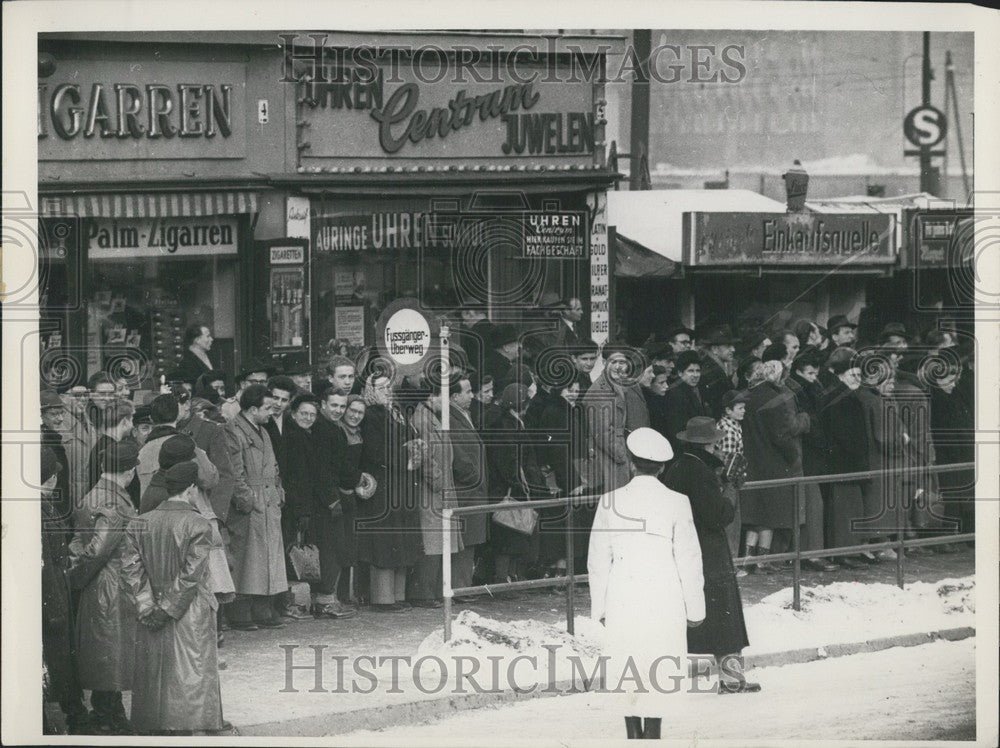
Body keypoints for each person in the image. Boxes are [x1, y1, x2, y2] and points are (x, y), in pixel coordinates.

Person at [589, 427, 705, 739]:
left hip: (623, 595)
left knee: (627, 663)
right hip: (664, 596)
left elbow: (598, 559)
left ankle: (633, 735)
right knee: (659, 665)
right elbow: (689, 559)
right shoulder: (677, 502)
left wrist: (599, 607)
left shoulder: (609, 501)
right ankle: (652, 734)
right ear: (663, 467)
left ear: (630, 463)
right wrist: (695, 609)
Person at [124, 461, 231, 736]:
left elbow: (131, 570)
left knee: (154, 671)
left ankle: (154, 725)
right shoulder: (198, 524)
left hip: (151, 607)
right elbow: (191, 575)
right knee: (191, 669)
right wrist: (169, 608)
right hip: (189, 609)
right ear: (192, 489)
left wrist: (148, 605)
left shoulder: (140, 522)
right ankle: (189, 724)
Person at [663, 417, 759, 695]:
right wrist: (729, 489)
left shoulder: (678, 467)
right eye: (716, 442)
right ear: (709, 443)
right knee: (726, 618)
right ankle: (731, 679)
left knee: (695, 614)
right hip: (710, 551)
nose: (719, 446)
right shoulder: (701, 472)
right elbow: (718, 515)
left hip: (684, 547)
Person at [67, 441, 144, 734]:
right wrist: (78, 578)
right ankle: (107, 716)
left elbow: (79, 541)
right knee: (111, 654)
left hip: (100, 585)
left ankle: (110, 711)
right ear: (131, 470)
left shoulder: (95, 494)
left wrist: (75, 576)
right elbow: (98, 550)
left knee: (107, 654)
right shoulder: (112, 501)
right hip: (111, 585)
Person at [357, 368, 424, 612]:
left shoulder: (395, 413)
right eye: (380, 387)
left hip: (402, 482)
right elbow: (375, 451)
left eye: (388, 387)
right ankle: (384, 597)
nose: (386, 391)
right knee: (386, 540)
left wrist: (415, 449)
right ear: (370, 391)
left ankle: (398, 595)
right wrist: (405, 457)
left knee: (401, 538)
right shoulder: (372, 415)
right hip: (385, 483)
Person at [224, 384, 288, 630]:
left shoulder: (263, 431)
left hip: (269, 500)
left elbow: (274, 466)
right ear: (252, 409)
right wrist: (247, 499)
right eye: (267, 408)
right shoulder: (233, 432)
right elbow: (234, 473)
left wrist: (279, 491)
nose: (272, 412)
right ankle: (240, 612)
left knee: (267, 560)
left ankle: (262, 609)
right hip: (251, 503)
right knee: (247, 560)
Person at [740, 360, 809, 573]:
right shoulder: (775, 399)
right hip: (773, 463)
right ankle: (763, 561)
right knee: (769, 516)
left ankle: (748, 559)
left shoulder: (745, 396)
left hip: (750, 461)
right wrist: (793, 456)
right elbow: (782, 435)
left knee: (754, 516)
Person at [40, 446, 89, 734]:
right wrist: (55, 606)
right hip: (52, 594)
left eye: (54, 475)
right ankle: (70, 717)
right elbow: (44, 563)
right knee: (56, 660)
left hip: (57, 588)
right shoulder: (39, 510)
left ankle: (72, 714)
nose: (54, 480)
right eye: (50, 475)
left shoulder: (47, 507)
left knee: (60, 660)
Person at [409, 384, 465, 608]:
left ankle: (431, 591)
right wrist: (439, 481)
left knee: (438, 540)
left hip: (439, 489)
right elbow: (424, 457)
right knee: (432, 541)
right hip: (432, 490)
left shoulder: (431, 417)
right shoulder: (424, 420)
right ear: (432, 397)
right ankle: (424, 593)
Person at [785, 351, 839, 572]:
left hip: (813, 454)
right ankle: (812, 554)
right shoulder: (799, 392)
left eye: (816, 373)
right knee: (812, 504)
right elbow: (809, 422)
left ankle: (811, 552)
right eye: (809, 372)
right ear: (797, 371)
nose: (814, 377)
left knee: (812, 504)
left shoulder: (809, 388)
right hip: (808, 454)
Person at [818, 349, 870, 569]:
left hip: (845, 461)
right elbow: (844, 432)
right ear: (840, 375)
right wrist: (857, 453)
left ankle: (849, 549)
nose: (857, 380)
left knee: (849, 507)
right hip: (845, 462)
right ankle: (844, 551)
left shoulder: (842, 395)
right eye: (852, 375)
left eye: (859, 376)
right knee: (845, 508)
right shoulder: (841, 398)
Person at [486, 383, 543, 584]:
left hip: (506, 488)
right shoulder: (509, 426)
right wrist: (519, 483)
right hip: (509, 490)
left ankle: (508, 576)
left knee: (511, 535)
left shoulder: (507, 422)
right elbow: (509, 460)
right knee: (510, 536)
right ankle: (504, 577)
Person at [581, 341, 650, 494]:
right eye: (614, 362)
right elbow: (604, 434)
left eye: (623, 362)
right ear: (605, 362)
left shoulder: (615, 385)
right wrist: (623, 457)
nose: (619, 367)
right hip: (608, 458)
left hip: (616, 456)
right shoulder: (600, 391)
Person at [448, 376, 490, 594]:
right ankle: (461, 588)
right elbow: (459, 455)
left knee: (468, 541)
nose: (472, 395)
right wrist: (475, 477)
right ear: (454, 396)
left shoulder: (463, 415)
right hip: (466, 490)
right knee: (465, 541)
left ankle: (463, 586)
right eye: (468, 392)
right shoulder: (451, 419)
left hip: (472, 489)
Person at [83, 398, 139, 517]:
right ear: (124, 421)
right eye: (132, 420)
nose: (133, 425)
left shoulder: (100, 446)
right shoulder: (116, 452)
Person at [715, 389, 749, 565]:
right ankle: (730, 562)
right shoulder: (727, 429)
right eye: (740, 408)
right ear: (728, 410)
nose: (743, 411)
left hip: (732, 479)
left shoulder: (734, 425)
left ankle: (731, 560)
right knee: (731, 523)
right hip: (729, 481)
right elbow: (728, 459)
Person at [663, 350, 711, 453]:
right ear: (680, 373)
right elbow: (677, 429)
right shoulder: (675, 394)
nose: (695, 375)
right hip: (685, 449)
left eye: (698, 371)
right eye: (690, 371)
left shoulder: (697, 389)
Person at [41, 391, 71, 523]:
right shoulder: (43, 443)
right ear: (40, 416)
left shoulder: (54, 439)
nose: (60, 418)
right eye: (54, 414)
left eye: (61, 413)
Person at [699, 326, 738, 418]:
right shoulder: (711, 372)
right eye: (728, 346)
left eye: (733, 346)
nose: (733, 349)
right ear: (714, 349)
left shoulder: (716, 367)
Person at [643, 365, 671, 439]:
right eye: (661, 383)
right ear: (650, 384)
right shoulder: (648, 404)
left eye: (666, 382)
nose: (666, 386)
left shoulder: (665, 400)